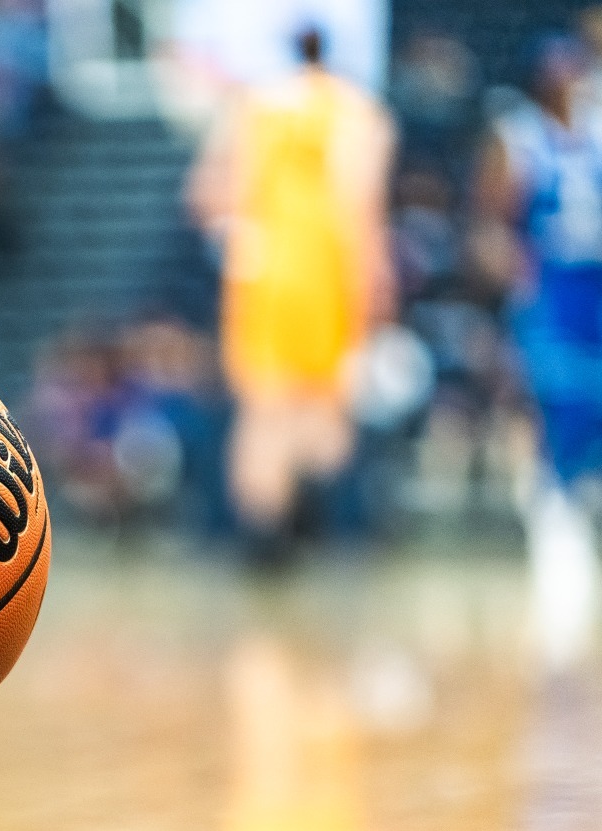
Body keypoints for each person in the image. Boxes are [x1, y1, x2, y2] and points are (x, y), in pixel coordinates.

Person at [189, 25, 396, 562]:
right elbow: (361, 207)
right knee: (327, 416)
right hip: (324, 272)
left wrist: (235, 236)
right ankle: (302, 519)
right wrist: (376, 282)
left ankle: (265, 528)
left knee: (262, 411)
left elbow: (206, 195)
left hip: (262, 275)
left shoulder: (252, 108)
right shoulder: (355, 110)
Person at [476, 36, 602, 639]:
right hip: (549, 289)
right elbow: (492, 221)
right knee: (550, 396)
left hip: (599, 287)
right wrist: (512, 272)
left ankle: (593, 508)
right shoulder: (517, 139)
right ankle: (552, 513)